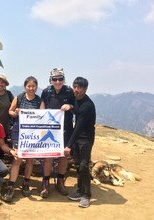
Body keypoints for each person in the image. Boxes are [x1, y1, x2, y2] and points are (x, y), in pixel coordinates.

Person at [1, 76, 42, 203]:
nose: (31, 88)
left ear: (36, 87)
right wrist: (15, 112)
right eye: (29, 86)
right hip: (18, 131)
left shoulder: (39, 100)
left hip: (32, 133)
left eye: (33, 86)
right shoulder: (19, 97)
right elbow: (10, 111)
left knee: (30, 159)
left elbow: (42, 116)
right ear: (25, 87)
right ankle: (11, 185)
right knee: (18, 157)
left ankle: (26, 183)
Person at [40, 68, 75, 198]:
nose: (58, 81)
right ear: (51, 80)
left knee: (63, 155)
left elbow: (76, 106)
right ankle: (45, 183)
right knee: (48, 156)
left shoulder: (69, 91)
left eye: (60, 79)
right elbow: (42, 106)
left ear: (63, 79)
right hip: (50, 129)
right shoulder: (46, 91)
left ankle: (60, 181)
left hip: (66, 129)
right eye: (55, 79)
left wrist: (70, 106)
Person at [65, 77, 96, 208]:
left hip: (86, 138)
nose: (76, 90)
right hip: (77, 138)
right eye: (75, 86)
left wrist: (68, 145)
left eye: (80, 88)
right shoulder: (75, 98)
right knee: (77, 165)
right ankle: (79, 190)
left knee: (83, 165)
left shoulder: (87, 105)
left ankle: (86, 195)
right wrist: (71, 107)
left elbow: (78, 128)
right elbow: (76, 110)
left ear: (85, 89)